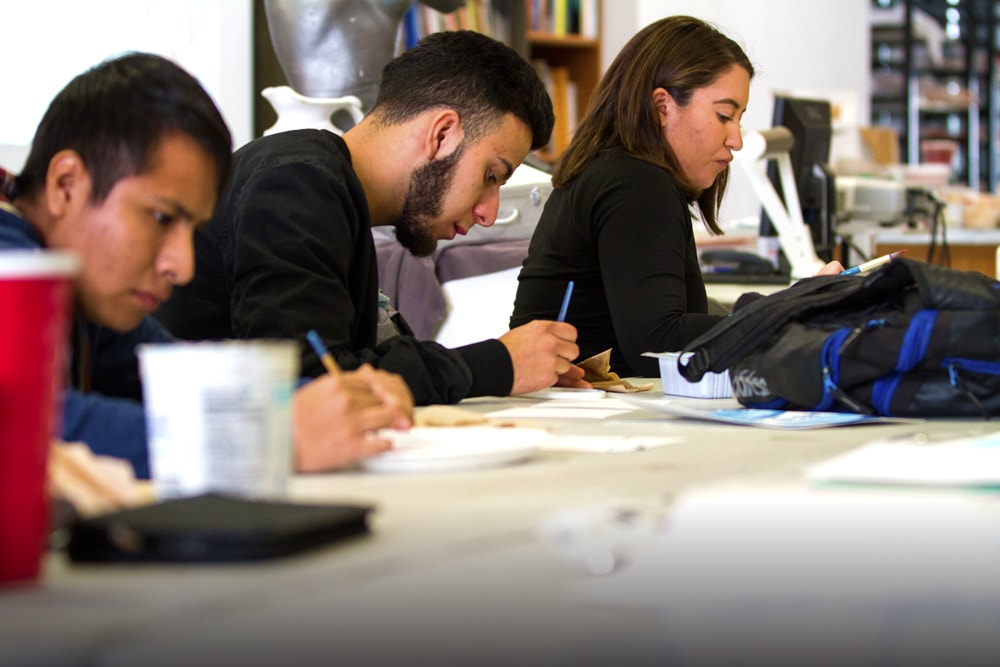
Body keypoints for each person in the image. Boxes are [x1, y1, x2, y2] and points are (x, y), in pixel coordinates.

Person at [0, 52, 414, 479]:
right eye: (161, 217)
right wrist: (266, 437)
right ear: (66, 185)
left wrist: (338, 400)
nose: (182, 266)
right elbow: (20, 424)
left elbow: (185, 379)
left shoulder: (89, 298)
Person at [157, 30, 587, 405]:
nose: (488, 213)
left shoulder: (325, 186)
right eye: (491, 175)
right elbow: (314, 382)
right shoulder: (296, 183)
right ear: (442, 134)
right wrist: (499, 364)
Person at [509, 16, 844, 378]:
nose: (737, 140)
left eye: (739, 119)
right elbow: (657, 343)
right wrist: (787, 309)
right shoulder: (634, 182)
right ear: (662, 107)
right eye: (723, 115)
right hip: (573, 414)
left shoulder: (615, 171)